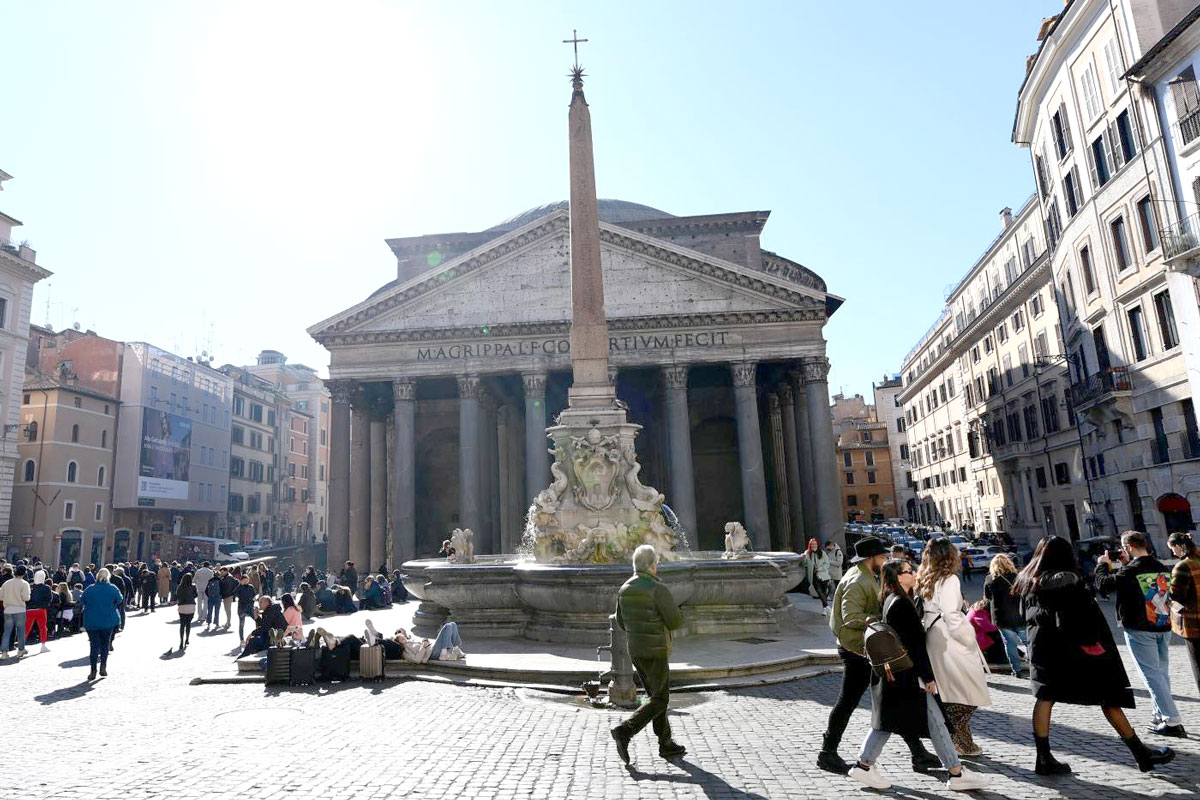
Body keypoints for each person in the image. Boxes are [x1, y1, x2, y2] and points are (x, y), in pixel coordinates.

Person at [1015, 536, 1173, 774]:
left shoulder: (1028, 581)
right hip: (1079, 648)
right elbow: (1080, 616)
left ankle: (1043, 757)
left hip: (1043, 647)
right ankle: (1141, 753)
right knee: (1110, 696)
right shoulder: (1069, 581)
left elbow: (1024, 615)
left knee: (1045, 696)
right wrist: (1093, 644)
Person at [848, 559, 990, 792]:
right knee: (929, 723)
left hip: (898, 675)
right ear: (898, 577)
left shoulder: (890, 600)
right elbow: (915, 645)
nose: (913, 573)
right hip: (908, 676)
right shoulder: (901, 605)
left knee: (889, 723)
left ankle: (864, 766)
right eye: (908, 571)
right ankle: (956, 773)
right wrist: (928, 676)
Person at [818, 536, 940, 775]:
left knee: (892, 698)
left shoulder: (868, 576)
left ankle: (918, 753)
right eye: (883, 557)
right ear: (871, 558)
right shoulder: (857, 580)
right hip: (856, 650)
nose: (886, 561)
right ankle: (827, 752)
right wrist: (879, 621)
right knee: (849, 701)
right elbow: (851, 616)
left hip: (867, 648)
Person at [1096, 531, 1185, 738]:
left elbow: (1103, 585)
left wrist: (1102, 564)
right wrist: (1127, 563)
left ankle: (1172, 719)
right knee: (1161, 672)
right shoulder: (1159, 566)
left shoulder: (1131, 570)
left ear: (1128, 547)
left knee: (1150, 674)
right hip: (1162, 624)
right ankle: (1159, 713)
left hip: (1139, 628)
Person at [611, 544, 687, 765]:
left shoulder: (624, 588)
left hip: (636, 650)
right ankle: (625, 730)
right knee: (660, 698)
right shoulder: (657, 588)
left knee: (655, 696)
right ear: (653, 566)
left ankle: (666, 743)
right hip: (656, 650)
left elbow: (621, 622)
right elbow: (675, 621)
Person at [917, 537, 990, 756]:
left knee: (954, 690)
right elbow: (951, 614)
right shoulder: (949, 579)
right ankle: (956, 737)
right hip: (950, 637)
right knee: (969, 691)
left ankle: (963, 742)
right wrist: (967, 638)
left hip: (935, 635)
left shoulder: (925, 577)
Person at [1167, 532, 1200, 695]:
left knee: (1198, 665)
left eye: (1173, 549)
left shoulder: (1183, 566)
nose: (1173, 553)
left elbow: (1176, 594)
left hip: (1194, 624)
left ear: (1179, 547)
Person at [983, 553, 1026, 676]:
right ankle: (1036, 666)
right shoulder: (1018, 577)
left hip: (1001, 618)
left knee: (1010, 644)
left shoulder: (989, 579)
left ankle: (1016, 671)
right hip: (1019, 615)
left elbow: (986, 597)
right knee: (1027, 642)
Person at [78, 568, 123, 680]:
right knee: (105, 644)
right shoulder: (112, 588)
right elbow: (119, 600)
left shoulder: (90, 589)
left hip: (92, 621)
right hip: (108, 620)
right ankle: (103, 666)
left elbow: (82, 600)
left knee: (94, 646)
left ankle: (93, 670)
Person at [0, 564, 31, 659]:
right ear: (24, 573)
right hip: (19, 609)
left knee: (7, 631)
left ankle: (4, 652)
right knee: (21, 631)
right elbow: (26, 597)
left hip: (8, 609)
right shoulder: (24, 583)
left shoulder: (6, 583)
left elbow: (1, 596)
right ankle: (21, 649)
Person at [798, 538, 832, 612]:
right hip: (813, 576)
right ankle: (827, 606)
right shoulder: (807, 553)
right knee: (819, 592)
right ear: (810, 545)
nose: (814, 545)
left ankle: (824, 609)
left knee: (824, 593)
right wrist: (802, 558)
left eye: (815, 544)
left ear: (817, 544)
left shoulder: (822, 553)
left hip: (823, 575)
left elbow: (827, 564)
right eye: (812, 544)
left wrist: (820, 568)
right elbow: (805, 564)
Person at [26, 570, 53, 652]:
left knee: (26, 628)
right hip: (41, 610)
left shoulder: (30, 586)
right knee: (43, 628)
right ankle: (43, 645)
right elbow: (49, 599)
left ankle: (21, 646)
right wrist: (45, 605)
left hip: (29, 610)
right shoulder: (46, 587)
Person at [175, 572, 197, 651]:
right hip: (191, 606)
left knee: (182, 624)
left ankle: (181, 641)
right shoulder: (193, 586)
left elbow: (177, 595)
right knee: (188, 624)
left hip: (182, 606)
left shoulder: (180, 587)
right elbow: (196, 595)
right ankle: (187, 639)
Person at [235, 574, 257, 639]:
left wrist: (254, 598)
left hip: (250, 607)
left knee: (257, 620)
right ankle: (242, 639)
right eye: (244, 580)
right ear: (241, 580)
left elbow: (254, 595)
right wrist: (240, 585)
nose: (246, 581)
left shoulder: (251, 587)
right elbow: (235, 594)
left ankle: (257, 634)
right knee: (241, 624)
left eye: (247, 580)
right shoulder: (239, 587)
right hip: (242, 608)